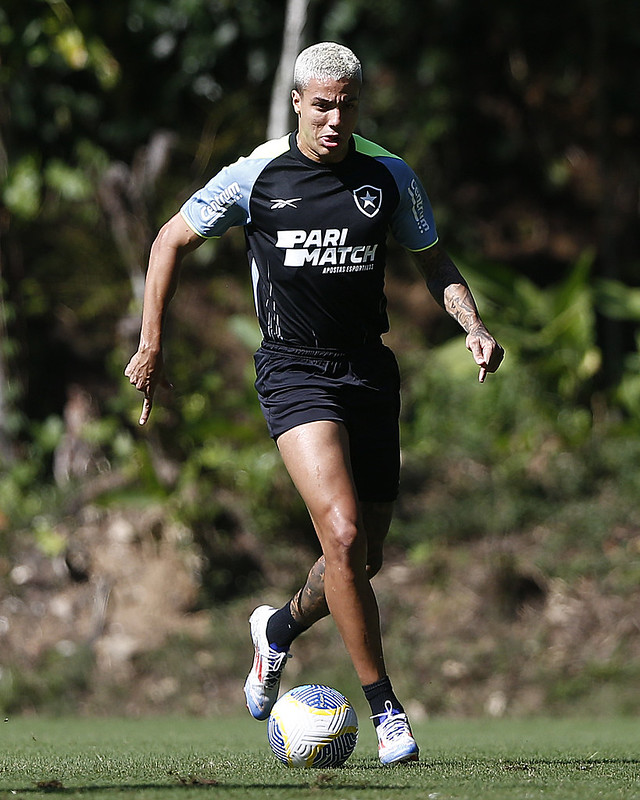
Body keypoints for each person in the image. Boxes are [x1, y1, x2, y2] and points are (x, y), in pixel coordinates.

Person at [125, 41, 504, 765]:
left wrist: (473, 324)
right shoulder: (258, 174)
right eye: (321, 105)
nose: (334, 120)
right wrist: (152, 346)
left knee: (362, 558)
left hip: (369, 371)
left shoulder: (388, 175)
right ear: (298, 101)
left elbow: (433, 260)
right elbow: (169, 239)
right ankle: (388, 711)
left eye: (347, 106)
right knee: (341, 530)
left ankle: (276, 635)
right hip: (294, 371)